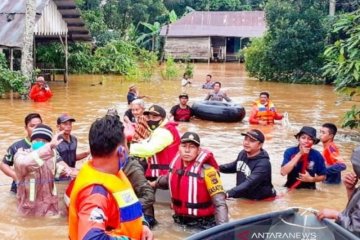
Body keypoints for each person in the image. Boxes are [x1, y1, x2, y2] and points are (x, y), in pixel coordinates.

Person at [68, 115, 153, 240]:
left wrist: (143, 225)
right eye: (126, 144)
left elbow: (127, 207)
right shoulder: (96, 193)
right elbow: (91, 238)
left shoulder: (114, 173)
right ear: (121, 152)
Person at [152, 132, 228, 229]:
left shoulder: (209, 172)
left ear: (198, 150)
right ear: (179, 148)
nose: (187, 150)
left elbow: (220, 203)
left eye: (192, 147)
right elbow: (168, 179)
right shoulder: (176, 166)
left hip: (203, 223)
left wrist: (223, 230)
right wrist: (151, 184)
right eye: (184, 146)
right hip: (179, 219)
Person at [14, 124, 75, 216]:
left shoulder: (52, 155)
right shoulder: (21, 155)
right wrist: (48, 147)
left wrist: (67, 172)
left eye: (44, 141)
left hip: (49, 208)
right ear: (32, 141)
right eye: (37, 140)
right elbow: (24, 164)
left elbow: (55, 171)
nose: (40, 143)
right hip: (28, 211)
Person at [219, 129, 276, 200]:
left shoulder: (263, 164)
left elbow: (249, 183)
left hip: (260, 201)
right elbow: (234, 166)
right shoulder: (243, 153)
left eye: (252, 141)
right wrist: (216, 167)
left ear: (260, 145)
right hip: (243, 195)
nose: (247, 143)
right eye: (245, 139)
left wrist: (228, 194)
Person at [317, 146, 360, 237]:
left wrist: (336, 215)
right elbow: (353, 210)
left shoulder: (331, 148)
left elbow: (356, 230)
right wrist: (351, 190)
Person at [130, 104, 180, 180]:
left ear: (162, 119)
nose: (151, 120)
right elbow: (151, 142)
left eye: (154, 117)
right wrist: (142, 142)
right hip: (160, 172)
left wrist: (127, 148)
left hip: (162, 174)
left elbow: (149, 150)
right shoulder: (159, 129)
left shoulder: (165, 132)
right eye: (149, 117)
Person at [0, 113, 42, 194]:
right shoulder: (16, 146)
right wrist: (14, 176)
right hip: (19, 188)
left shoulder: (48, 146)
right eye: (32, 126)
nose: (36, 129)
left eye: (39, 126)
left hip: (40, 187)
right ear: (26, 128)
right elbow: (3, 164)